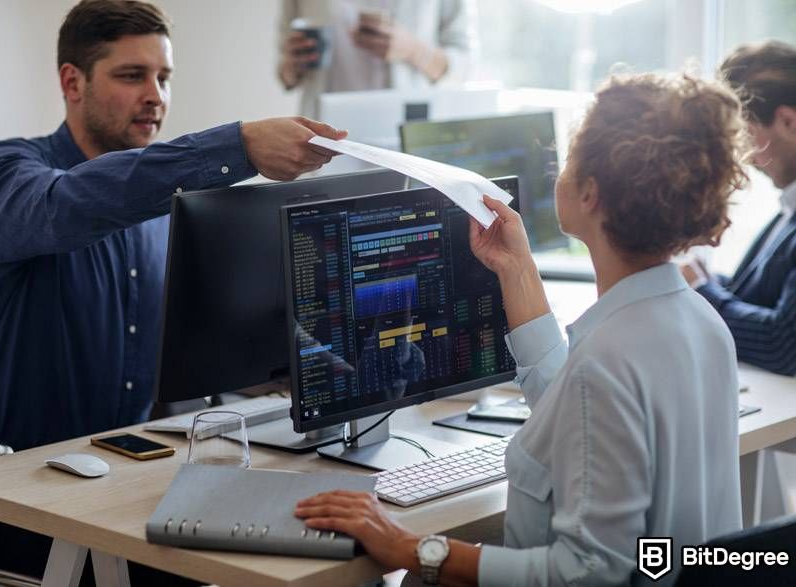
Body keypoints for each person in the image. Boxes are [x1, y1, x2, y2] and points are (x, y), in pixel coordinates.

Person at [0, 0, 345, 581]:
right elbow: (68, 205)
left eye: (163, 77)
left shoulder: (163, 203)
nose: (155, 95)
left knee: (322, 544)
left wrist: (309, 368)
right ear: (71, 82)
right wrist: (237, 147)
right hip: (9, 498)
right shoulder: (2, 171)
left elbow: (204, 341)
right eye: (132, 76)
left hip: (131, 481)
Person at [295, 72, 747, 585]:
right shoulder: (701, 322)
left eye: (568, 157)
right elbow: (578, 418)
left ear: (591, 194)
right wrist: (517, 269)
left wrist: (411, 547)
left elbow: (589, 572)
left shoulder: (605, 365)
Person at [681, 41, 796, 376]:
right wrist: (708, 282)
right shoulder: (787, 209)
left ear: (787, 121)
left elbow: (785, 343)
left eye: (745, 136)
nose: (743, 156)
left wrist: (703, 292)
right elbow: (766, 293)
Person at [277, 0, 478, 118]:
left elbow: (465, 65)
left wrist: (413, 50)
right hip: (323, 128)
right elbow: (284, 72)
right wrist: (293, 64)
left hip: (406, 132)